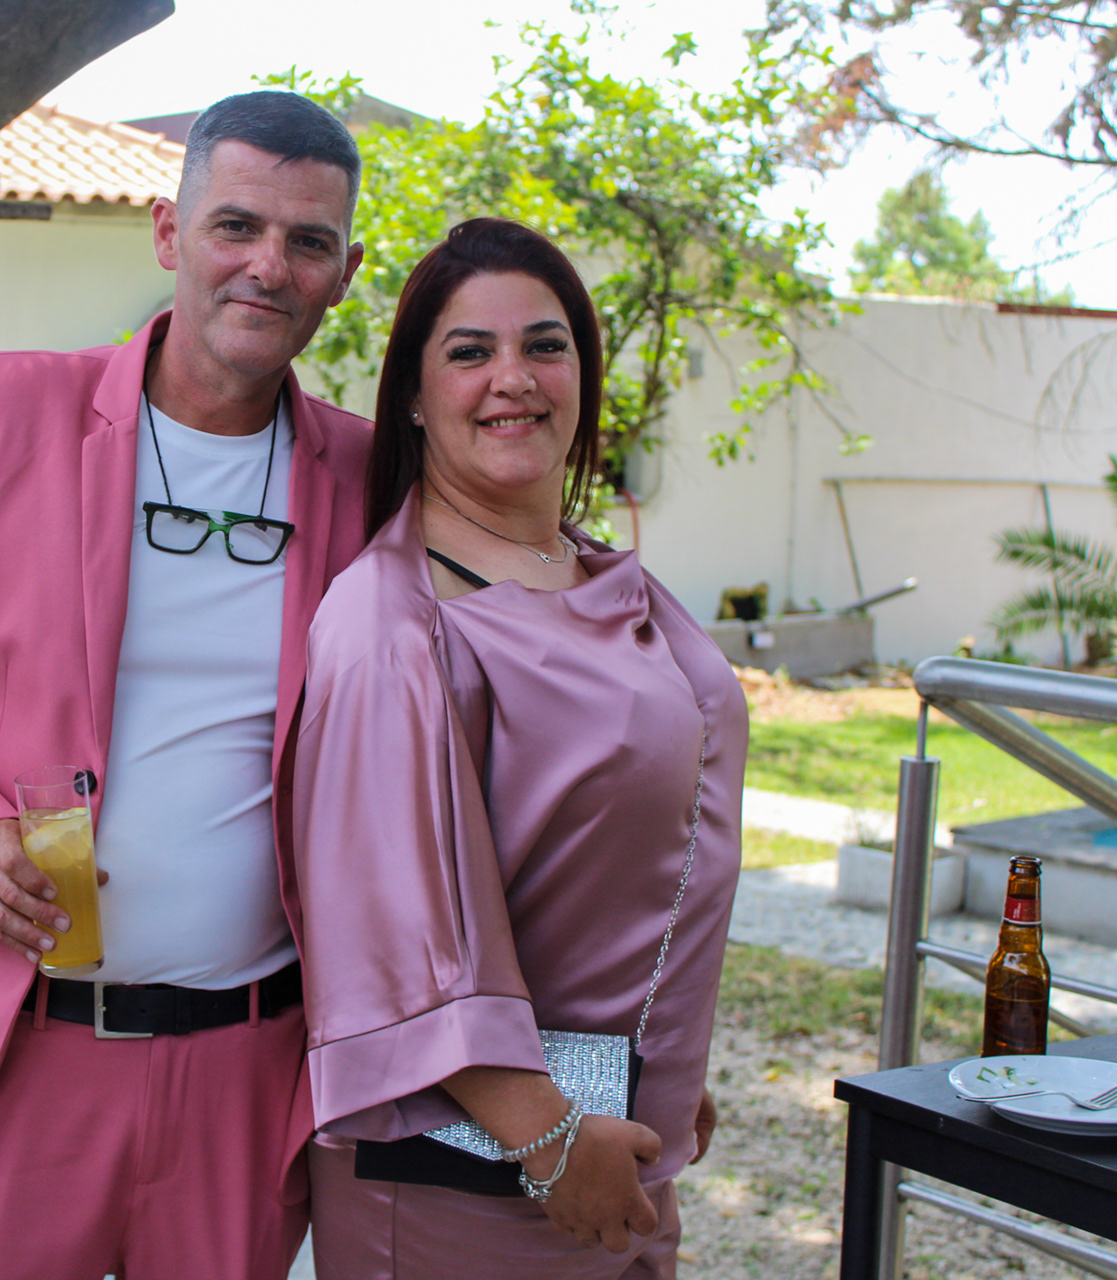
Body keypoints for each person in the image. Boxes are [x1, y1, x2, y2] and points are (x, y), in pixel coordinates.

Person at [0, 90, 371, 1278]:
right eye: (236, 226)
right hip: (16, 1054)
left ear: (345, 273)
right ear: (169, 232)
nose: (268, 266)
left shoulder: (370, 477)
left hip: (246, 1073)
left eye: (308, 241)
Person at [290, 218, 748, 1279]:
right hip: (479, 1181)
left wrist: (662, 1061)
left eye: (546, 345)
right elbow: (393, 939)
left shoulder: (594, 570)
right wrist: (549, 1135)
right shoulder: (394, 623)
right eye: (470, 352)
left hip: (613, 1142)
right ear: (414, 394)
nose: (514, 377)